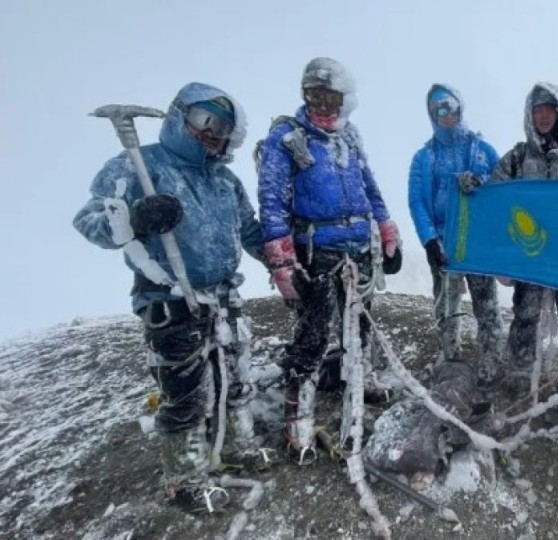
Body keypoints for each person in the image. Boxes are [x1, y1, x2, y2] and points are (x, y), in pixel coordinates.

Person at [74, 82, 267, 513]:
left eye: (222, 129)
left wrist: (279, 261)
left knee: (234, 376)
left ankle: (235, 446)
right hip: (169, 296)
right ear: (179, 116)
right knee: (186, 390)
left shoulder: (225, 180)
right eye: (204, 120)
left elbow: (251, 230)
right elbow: (89, 219)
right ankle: (185, 478)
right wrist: (136, 219)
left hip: (224, 296)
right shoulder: (139, 165)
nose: (211, 133)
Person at [257, 57, 401, 463]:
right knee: (313, 333)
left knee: (361, 322)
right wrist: (281, 259)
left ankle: (360, 378)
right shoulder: (288, 138)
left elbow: (369, 186)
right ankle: (298, 415)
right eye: (314, 95)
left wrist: (385, 227)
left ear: (345, 100)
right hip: (315, 249)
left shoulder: (349, 137)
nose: (322, 105)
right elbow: (271, 199)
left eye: (330, 97)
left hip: (358, 244)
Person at [490, 82, 558, 406]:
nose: (544, 116)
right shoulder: (517, 157)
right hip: (530, 254)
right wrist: (471, 189)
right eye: (538, 110)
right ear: (530, 115)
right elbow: (493, 196)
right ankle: (521, 372)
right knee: (525, 314)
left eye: (549, 110)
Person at [407, 83, 504, 387]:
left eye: (449, 106)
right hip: (444, 244)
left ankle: (491, 358)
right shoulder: (424, 157)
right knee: (447, 305)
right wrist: (428, 240)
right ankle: (450, 356)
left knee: (486, 304)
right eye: (438, 109)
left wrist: (481, 181)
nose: (445, 114)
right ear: (431, 114)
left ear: (460, 108)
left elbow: (504, 188)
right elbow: (417, 201)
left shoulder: (483, 151)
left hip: (478, 243)